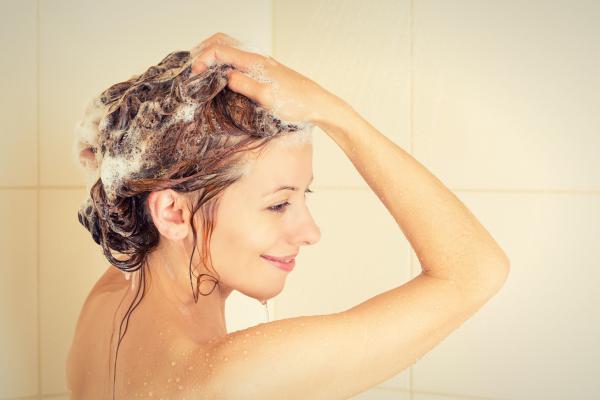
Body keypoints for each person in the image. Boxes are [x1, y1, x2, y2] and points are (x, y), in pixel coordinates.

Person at [67, 32, 510, 400]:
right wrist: (336, 115)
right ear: (172, 212)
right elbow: (474, 272)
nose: (310, 232)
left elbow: (136, 186)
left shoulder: (107, 307)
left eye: (304, 195)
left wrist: (123, 158)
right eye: (278, 204)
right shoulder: (231, 378)